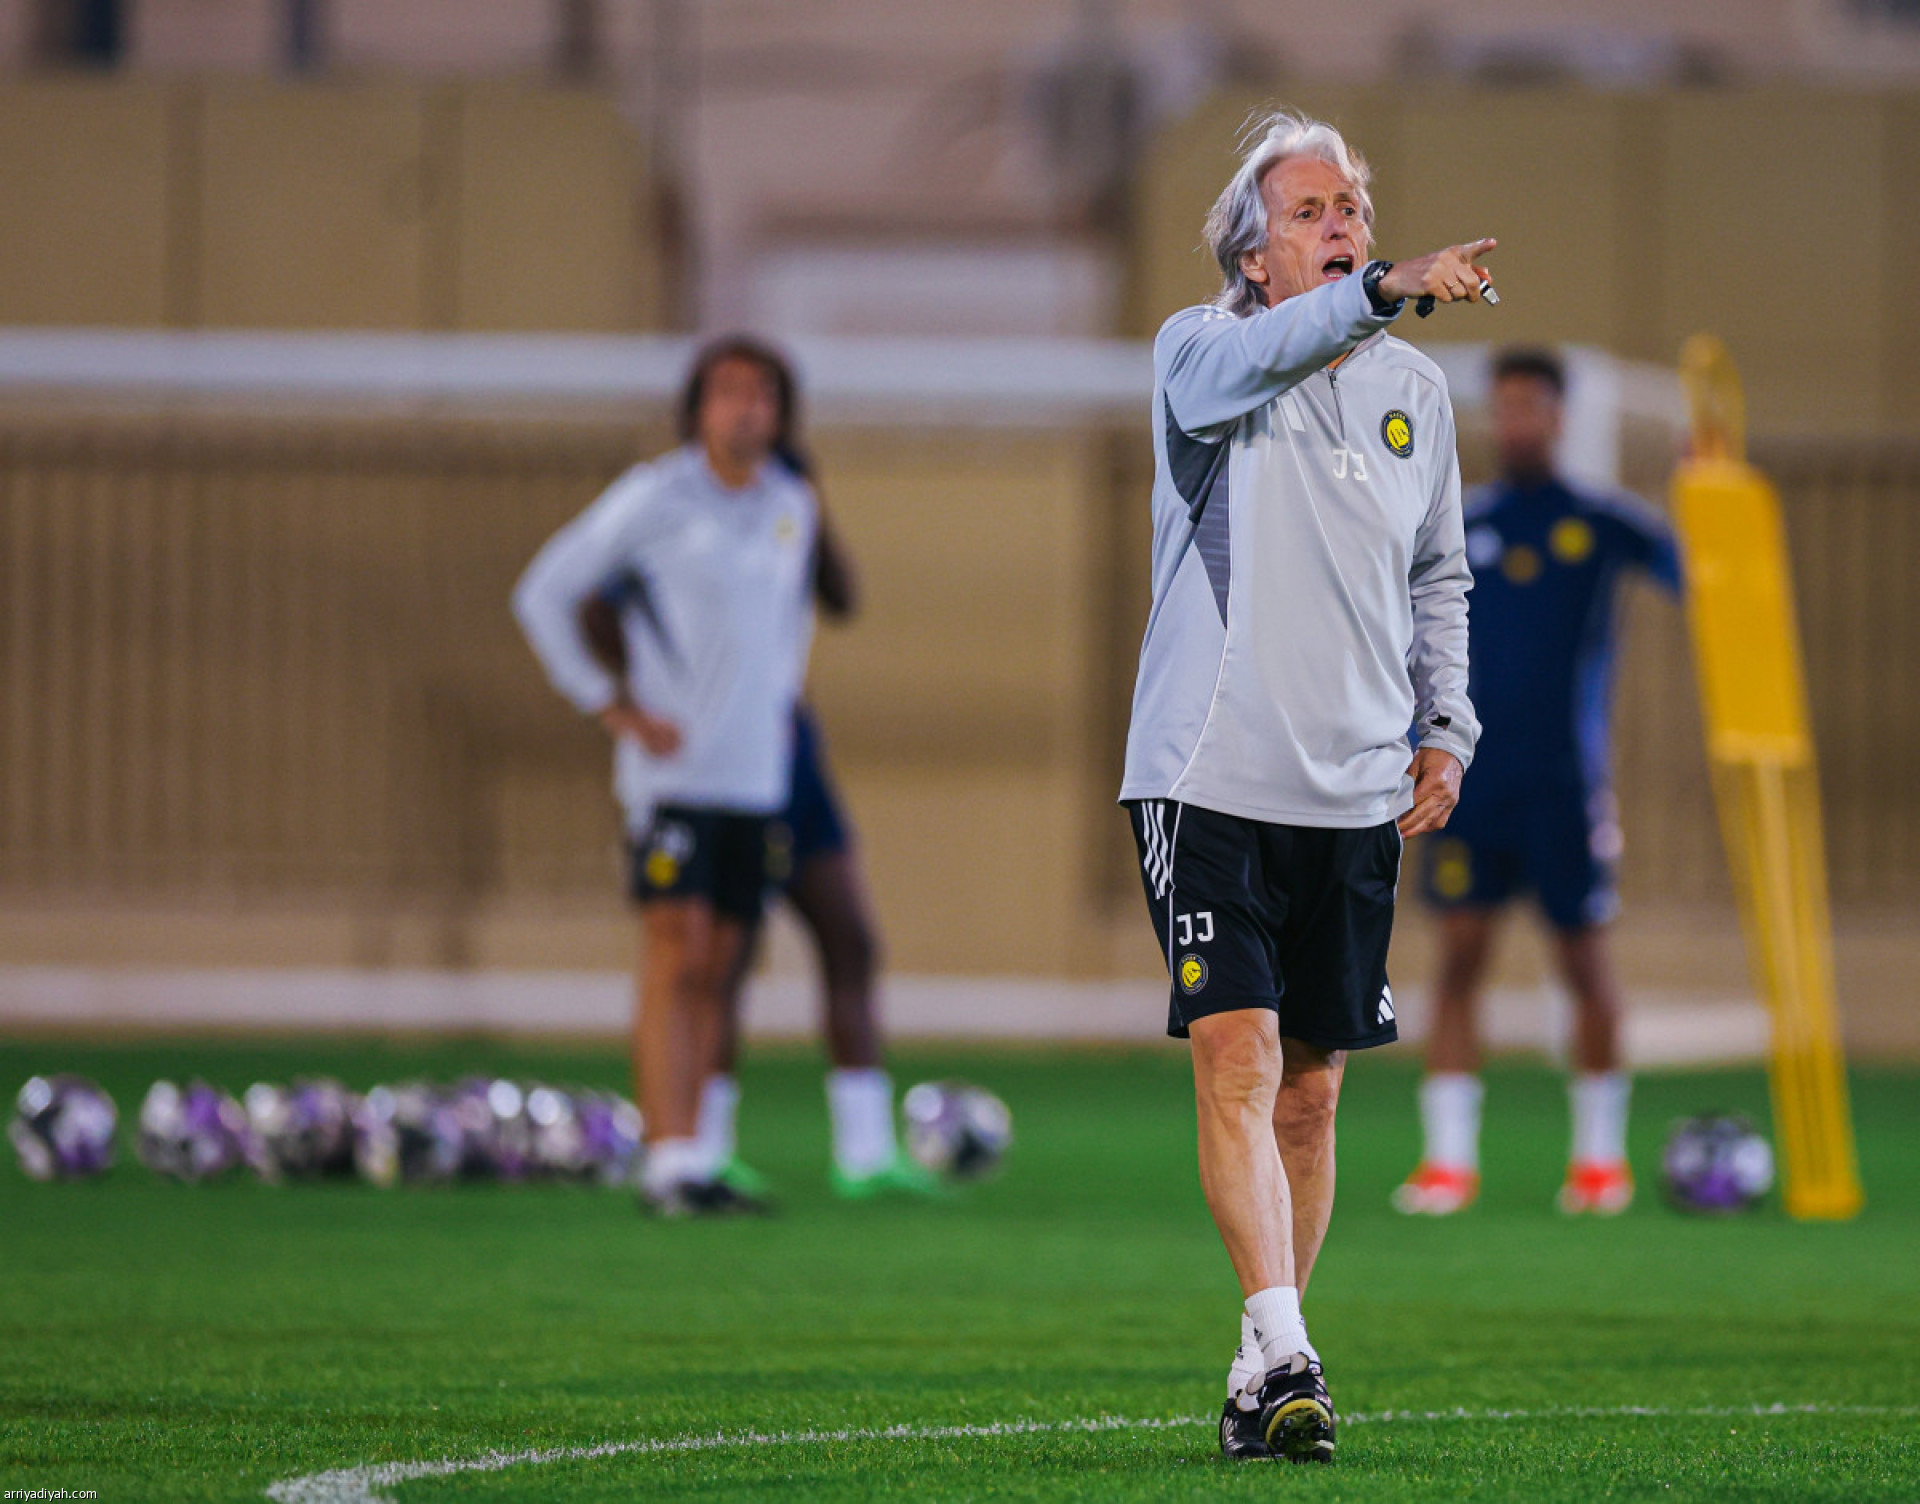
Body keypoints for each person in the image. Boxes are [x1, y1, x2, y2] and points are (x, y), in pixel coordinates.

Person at [1120, 108, 1488, 1463]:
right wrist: (1382, 289)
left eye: (1355, 209)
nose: (1344, 228)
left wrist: (1446, 726)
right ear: (1254, 255)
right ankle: (1287, 1348)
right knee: (1239, 1054)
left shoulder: (1416, 395)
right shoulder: (1203, 354)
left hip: (1353, 792)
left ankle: (1262, 1361)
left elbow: (1439, 574)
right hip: (1208, 774)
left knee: (1314, 1094)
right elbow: (1271, 351)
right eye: (1312, 213)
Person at [512, 335, 815, 1217]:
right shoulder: (655, 497)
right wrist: (609, 703)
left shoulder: (791, 503)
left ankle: (702, 1152)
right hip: (675, 776)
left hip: (754, 777)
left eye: (763, 393)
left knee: (724, 963)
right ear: (697, 408)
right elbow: (544, 593)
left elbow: (786, 628)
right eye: (729, 392)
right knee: (675, 953)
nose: (747, 409)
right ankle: (666, 1159)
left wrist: (782, 708)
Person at [581, 473, 938, 1202]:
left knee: (849, 936)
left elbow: (842, 597)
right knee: (720, 957)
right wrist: (637, 694)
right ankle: (701, 1146)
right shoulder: (677, 512)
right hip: (716, 757)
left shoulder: (787, 502)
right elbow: (595, 602)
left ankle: (865, 1150)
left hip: (789, 749)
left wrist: (809, 499)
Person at [1395, 347, 1683, 1219]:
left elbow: (1696, 575)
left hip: (1565, 784)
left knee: (1585, 963)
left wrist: (1708, 492)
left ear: (1559, 416)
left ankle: (1598, 1164)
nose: (1516, 421)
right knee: (1458, 959)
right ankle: (1449, 1164)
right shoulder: (1463, 521)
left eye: (1531, 406)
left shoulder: (1602, 523)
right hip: (1470, 783)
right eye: (1506, 406)